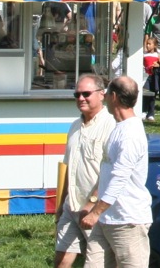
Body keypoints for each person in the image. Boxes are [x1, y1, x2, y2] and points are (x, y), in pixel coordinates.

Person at [79, 77, 152, 268]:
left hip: (128, 221)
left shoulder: (131, 134)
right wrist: (92, 204)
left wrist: (95, 214)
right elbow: (107, 172)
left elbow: (119, 179)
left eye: (106, 94)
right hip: (105, 219)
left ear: (113, 96)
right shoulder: (118, 128)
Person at [55, 74, 114, 268]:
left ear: (101, 95)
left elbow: (109, 171)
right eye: (77, 94)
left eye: (86, 94)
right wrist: (61, 204)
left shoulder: (110, 126)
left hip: (95, 211)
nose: (81, 98)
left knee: (96, 263)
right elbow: (68, 168)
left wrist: (92, 204)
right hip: (70, 207)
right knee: (62, 260)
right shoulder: (74, 127)